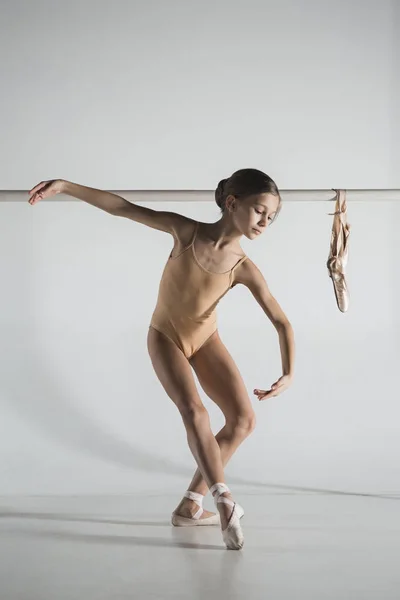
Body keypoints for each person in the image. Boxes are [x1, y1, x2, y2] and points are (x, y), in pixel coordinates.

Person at [28, 168, 295, 550]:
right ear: (232, 203)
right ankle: (223, 499)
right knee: (195, 412)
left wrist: (288, 372)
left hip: (206, 340)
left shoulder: (244, 268)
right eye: (259, 210)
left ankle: (190, 505)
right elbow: (122, 207)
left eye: (272, 216)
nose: (265, 222)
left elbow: (281, 321)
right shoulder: (186, 232)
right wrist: (66, 186)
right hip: (166, 336)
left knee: (243, 420)